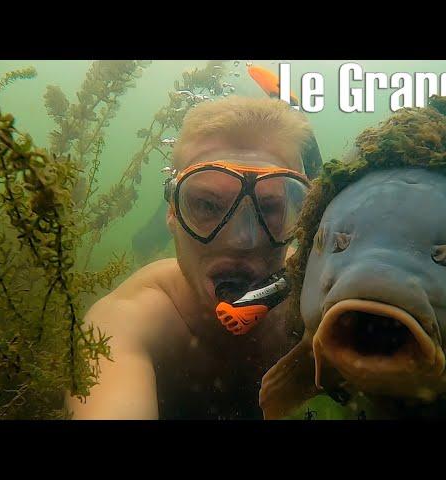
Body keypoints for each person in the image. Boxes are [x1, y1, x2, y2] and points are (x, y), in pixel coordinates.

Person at [66, 96, 318, 419]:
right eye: (207, 206)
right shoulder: (129, 323)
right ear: (173, 212)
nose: (242, 240)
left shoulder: (316, 295)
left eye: (268, 209)